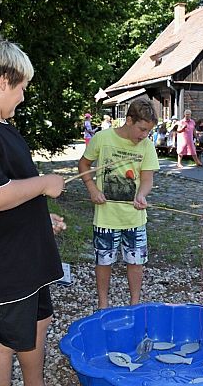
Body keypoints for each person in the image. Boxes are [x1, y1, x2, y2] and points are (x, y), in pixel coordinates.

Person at [0, 35, 67, 386]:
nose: (23, 96)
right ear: (3, 80)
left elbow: (10, 188)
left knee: (39, 323)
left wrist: (39, 217)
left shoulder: (1, 126)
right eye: (22, 86)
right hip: (1, 265)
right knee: (1, 342)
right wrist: (43, 184)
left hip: (25, 256)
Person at [78, 98, 160, 309]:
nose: (144, 135)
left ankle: (134, 305)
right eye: (141, 129)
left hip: (135, 218)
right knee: (104, 262)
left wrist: (142, 194)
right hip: (106, 218)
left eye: (148, 132)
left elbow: (148, 178)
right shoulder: (103, 138)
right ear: (129, 120)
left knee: (136, 262)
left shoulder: (147, 146)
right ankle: (103, 304)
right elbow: (84, 164)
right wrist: (92, 189)